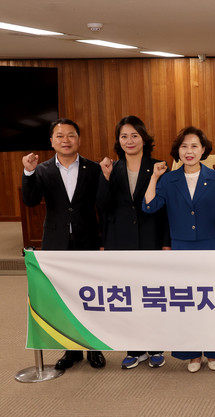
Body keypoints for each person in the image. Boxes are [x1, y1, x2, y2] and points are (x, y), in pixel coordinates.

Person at [143, 126, 215, 373]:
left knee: (211, 301)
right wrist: (154, 177)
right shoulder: (169, 179)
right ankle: (192, 354)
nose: (189, 151)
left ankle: (212, 351)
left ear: (203, 150)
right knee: (188, 302)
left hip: (209, 246)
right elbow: (149, 206)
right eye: (184, 146)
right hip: (180, 248)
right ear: (177, 151)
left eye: (194, 146)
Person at [21, 118, 105, 370]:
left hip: (87, 240)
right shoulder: (42, 169)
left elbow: (103, 205)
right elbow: (30, 200)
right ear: (52, 141)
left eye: (70, 135)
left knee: (89, 296)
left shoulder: (93, 168)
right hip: (56, 243)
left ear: (79, 139)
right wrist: (28, 172)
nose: (65, 140)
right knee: (64, 298)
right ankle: (71, 350)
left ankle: (94, 349)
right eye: (60, 136)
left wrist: (102, 241)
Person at [96, 115, 170, 369]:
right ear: (118, 141)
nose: (129, 141)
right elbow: (102, 206)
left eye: (134, 135)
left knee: (152, 294)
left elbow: (164, 211)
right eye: (124, 136)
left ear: (144, 139)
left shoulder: (158, 167)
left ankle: (155, 347)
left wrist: (165, 242)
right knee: (128, 296)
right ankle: (134, 349)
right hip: (120, 241)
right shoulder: (111, 168)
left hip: (150, 239)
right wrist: (105, 178)